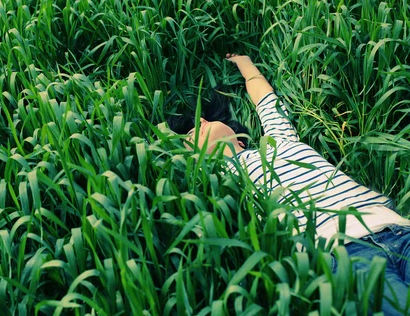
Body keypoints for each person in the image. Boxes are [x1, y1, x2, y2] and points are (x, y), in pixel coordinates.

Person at [167, 54, 410, 315]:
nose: (200, 123)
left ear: (237, 136)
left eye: (203, 121)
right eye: (191, 133)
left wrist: (244, 62)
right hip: (344, 251)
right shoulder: (223, 186)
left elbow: (265, 99)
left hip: (398, 228)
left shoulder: (278, 140)